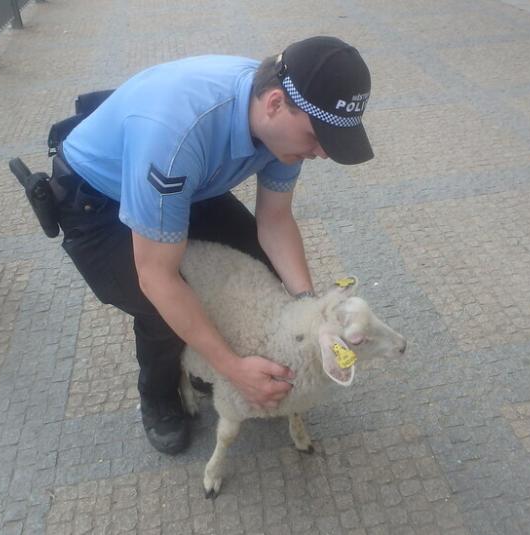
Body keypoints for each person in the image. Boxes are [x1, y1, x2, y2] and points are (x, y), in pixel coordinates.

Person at [54, 36, 373, 454]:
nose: (323, 153)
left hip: (190, 185)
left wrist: (310, 309)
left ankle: (221, 357)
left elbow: (275, 222)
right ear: (275, 103)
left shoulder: (282, 121)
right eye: (317, 138)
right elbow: (157, 276)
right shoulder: (175, 139)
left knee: (257, 268)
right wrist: (232, 368)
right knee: (160, 305)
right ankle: (160, 392)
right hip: (97, 203)